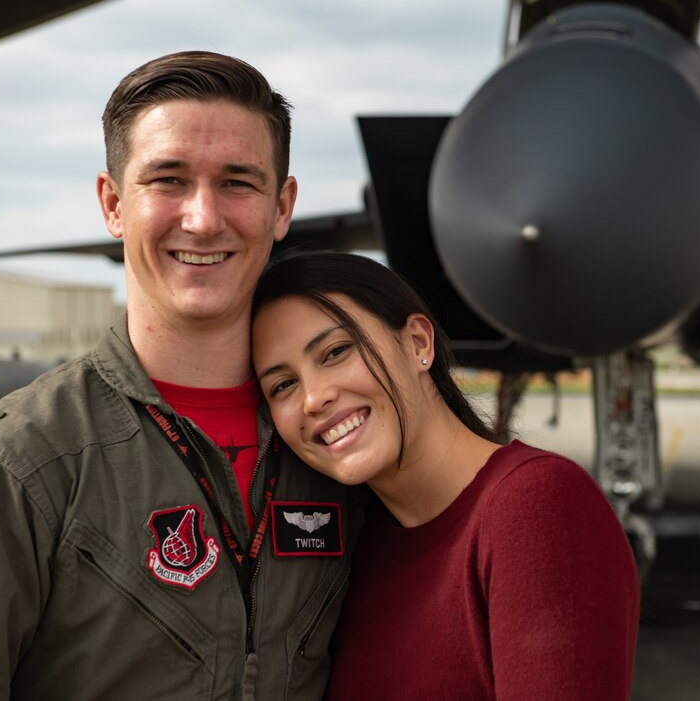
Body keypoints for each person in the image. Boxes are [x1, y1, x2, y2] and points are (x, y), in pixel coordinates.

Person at [0, 51, 365, 699]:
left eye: (239, 182)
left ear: (282, 206)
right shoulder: (17, 466)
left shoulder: (341, 446)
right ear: (112, 202)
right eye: (169, 179)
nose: (204, 218)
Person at [251, 251, 640, 699]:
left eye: (336, 351)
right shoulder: (358, 547)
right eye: (282, 385)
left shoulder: (537, 507)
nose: (313, 399)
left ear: (418, 342)